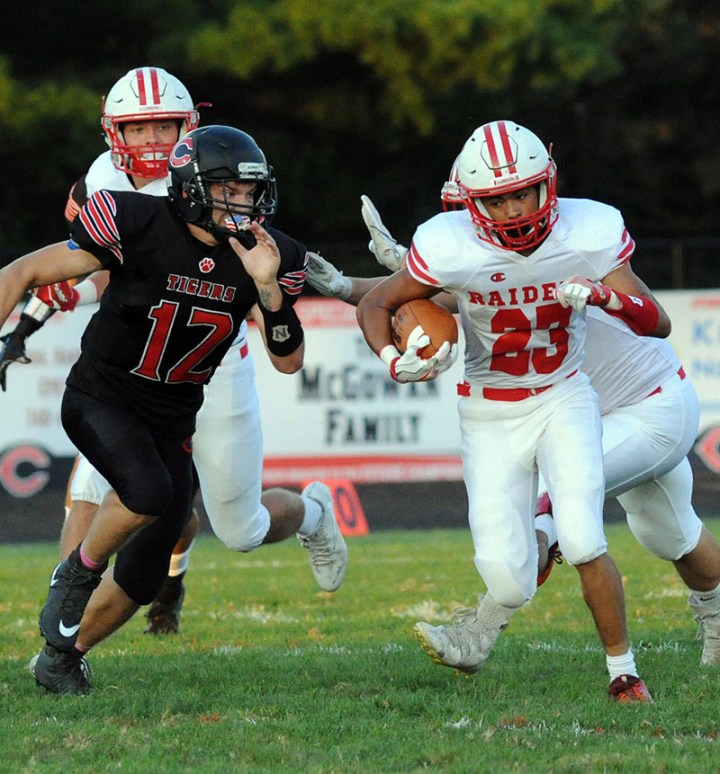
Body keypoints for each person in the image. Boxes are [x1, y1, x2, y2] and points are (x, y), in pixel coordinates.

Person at [0, 125, 348, 695]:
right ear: (189, 188)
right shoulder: (134, 220)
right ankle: (75, 575)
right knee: (146, 491)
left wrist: (268, 289)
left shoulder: (267, 254)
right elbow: (22, 273)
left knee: (145, 570)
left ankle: (62, 657)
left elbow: (288, 360)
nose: (243, 203)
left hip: (172, 418)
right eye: (228, 190)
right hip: (101, 396)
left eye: (249, 190)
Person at [353, 120, 672, 702]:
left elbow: (657, 320)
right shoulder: (450, 244)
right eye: (495, 199)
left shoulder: (588, 228)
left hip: (563, 396)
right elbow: (379, 301)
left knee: (580, 538)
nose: (513, 210)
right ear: (471, 204)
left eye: (522, 192)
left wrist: (607, 296)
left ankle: (623, 672)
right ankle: (485, 626)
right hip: (489, 413)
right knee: (507, 574)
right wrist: (391, 358)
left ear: (547, 184)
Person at [307, 248, 720, 667]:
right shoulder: (489, 270)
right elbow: (414, 295)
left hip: (653, 406)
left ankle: (478, 635)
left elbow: (447, 289)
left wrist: (406, 269)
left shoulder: (550, 258)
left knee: (546, 498)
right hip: (605, 409)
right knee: (672, 534)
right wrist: (346, 286)